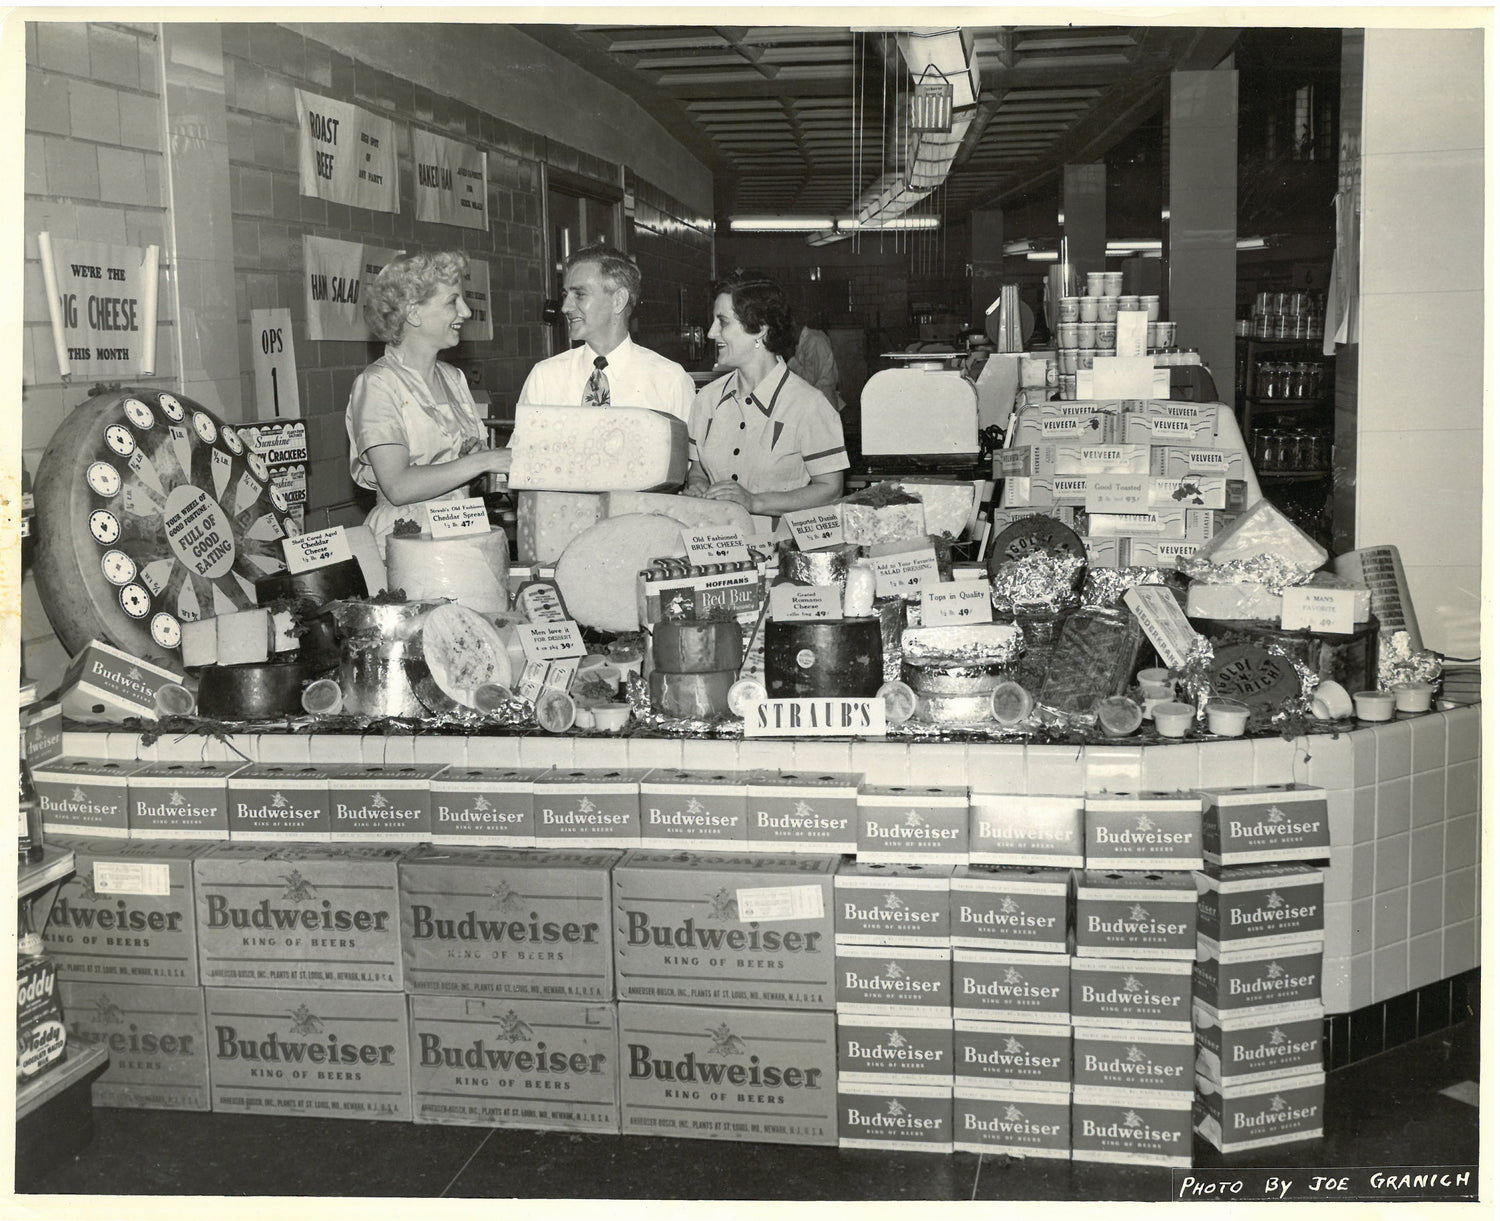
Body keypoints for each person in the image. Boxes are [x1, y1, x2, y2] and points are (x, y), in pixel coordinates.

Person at [345, 249, 511, 558]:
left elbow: (462, 470)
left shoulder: (454, 378)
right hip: (406, 542)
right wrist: (483, 462)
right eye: (452, 301)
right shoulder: (378, 384)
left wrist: (478, 461)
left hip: (463, 534)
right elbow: (398, 486)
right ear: (413, 313)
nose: (466, 312)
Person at [685, 276, 847, 516]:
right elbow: (697, 471)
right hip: (716, 544)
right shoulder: (706, 400)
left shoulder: (810, 404)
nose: (711, 333)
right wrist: (698, 485)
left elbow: (831, 490)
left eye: (723, 323)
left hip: (777, 546)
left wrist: (755, 502)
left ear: (759, 329)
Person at [517, 244, 694, 422]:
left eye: (579, 294)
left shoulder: (670, 381)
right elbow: (521, 449)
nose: (565, 307)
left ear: (618, 300)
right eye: (565, 295)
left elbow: (688, 450)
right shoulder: (545, 378)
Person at [787, 324, 844, 412]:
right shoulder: (802, 342)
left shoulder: (814, 340)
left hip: (823, 401)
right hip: (816, 401)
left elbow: (810, 379)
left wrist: (791, 359)